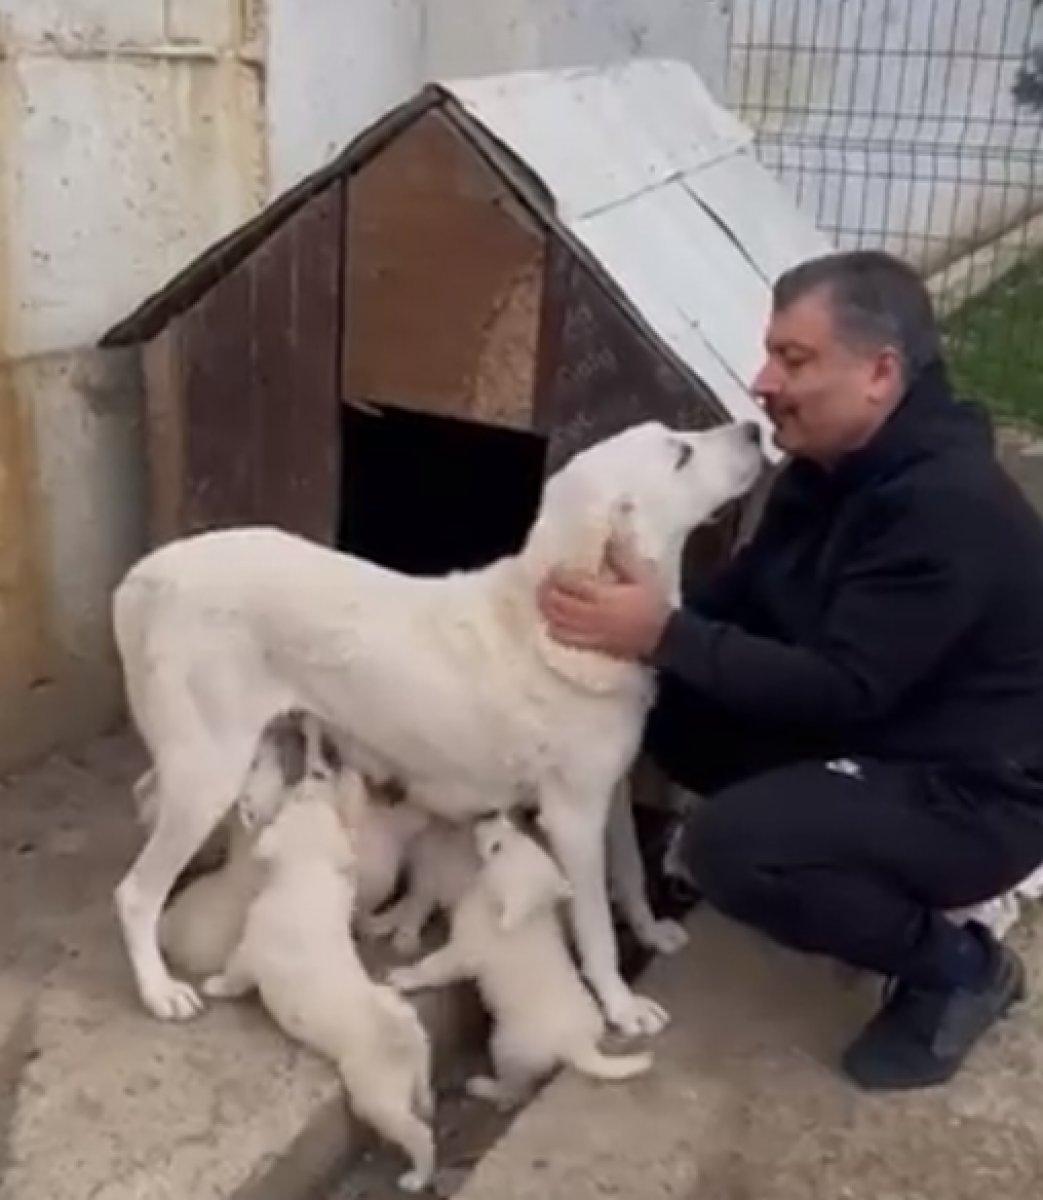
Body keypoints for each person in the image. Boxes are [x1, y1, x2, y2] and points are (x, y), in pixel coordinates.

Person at [538, 250, 1043, 1090]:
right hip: (880, 733)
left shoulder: (943, 508)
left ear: (880, 372)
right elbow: (738, 604)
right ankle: (826, 839)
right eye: (770, 352)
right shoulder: (827, 470)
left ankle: (957, 967)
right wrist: (638, 621)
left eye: (793, 359)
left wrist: (661, 631)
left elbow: (843, 687)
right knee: (665, 704)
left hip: (974, 791)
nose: (762, 381)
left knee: (733, 847)